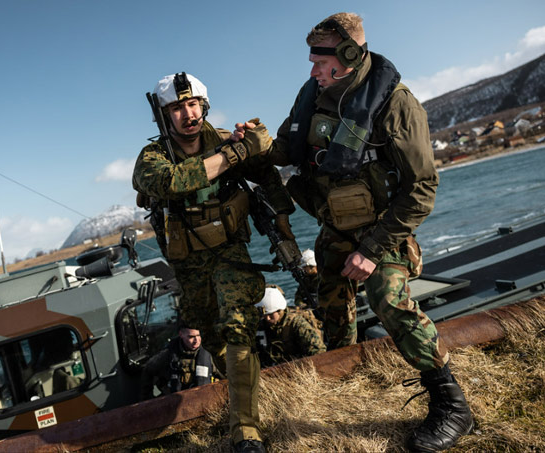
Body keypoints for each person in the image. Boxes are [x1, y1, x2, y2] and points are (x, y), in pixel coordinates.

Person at [234, 13, 473, 452]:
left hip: (383, 232)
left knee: (389, 301)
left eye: (318, 61)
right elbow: (288, 149)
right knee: (330, 308)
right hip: (334, 229)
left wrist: (372, 249)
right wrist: (256, 144)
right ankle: (345, 382)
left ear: (347, 55)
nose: (311, 71)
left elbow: (421, 188)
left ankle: (452, 405)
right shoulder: (314, 95)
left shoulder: (396, 104)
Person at [133, 72, 295, 453]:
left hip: (229, 251)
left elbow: (266, 175)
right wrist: (234, 154)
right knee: (213, 334)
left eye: (192, 105)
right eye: (177, 107)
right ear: (164, 115)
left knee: (238, 326)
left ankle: (246, 430)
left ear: (203, 105)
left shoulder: (225, 140)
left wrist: (284, 221)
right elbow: (172, 182)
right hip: (188, 263)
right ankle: (244, 395)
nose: (187, 114)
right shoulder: (152, 158)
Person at [139, 326, 223, 401]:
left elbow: (222, 377)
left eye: (198, 336)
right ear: (181, 334)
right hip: (173, 402)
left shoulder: (207, 356)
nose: (196, 341)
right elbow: (148, 370)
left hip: (201, 400)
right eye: (191, 337)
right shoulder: (167, 355)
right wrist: (147, 400)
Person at [255, 285, 326, 367]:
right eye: (264, 315)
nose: (267, 318)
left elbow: (318, 351)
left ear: (280, 310)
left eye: (271, 314)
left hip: (299, 366)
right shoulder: (261, 325)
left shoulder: (296, 323)